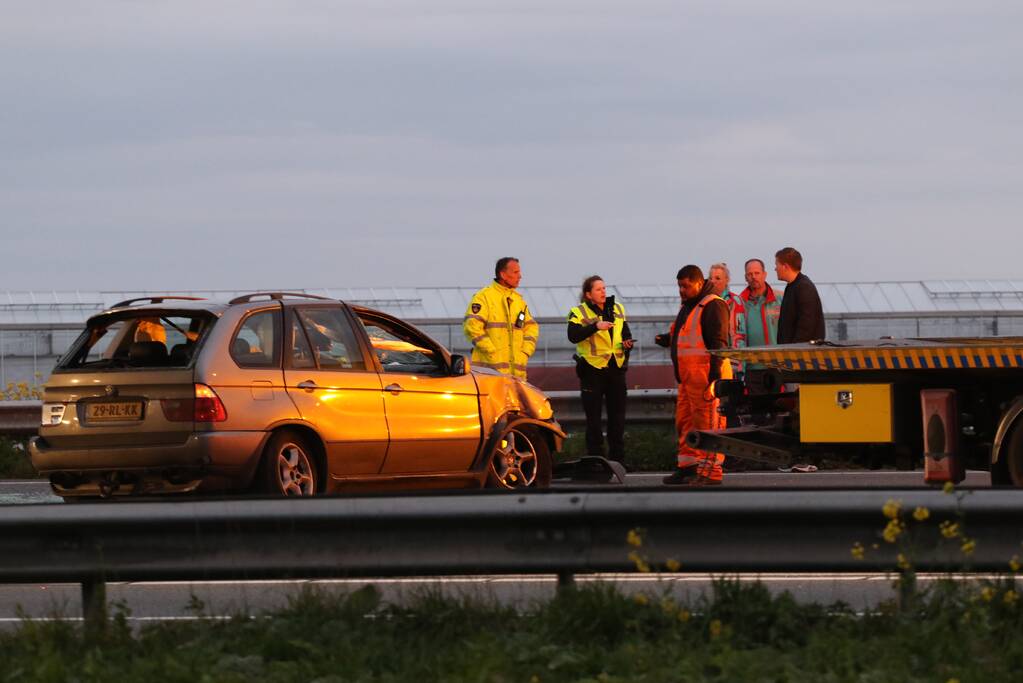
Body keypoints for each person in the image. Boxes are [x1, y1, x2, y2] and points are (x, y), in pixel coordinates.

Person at [654, 265, 732, 486]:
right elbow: (686, 337)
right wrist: (667, 340)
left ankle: (711, 472)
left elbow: (718, 344)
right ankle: (688, 467)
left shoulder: (712, 304)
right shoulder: (690, 305)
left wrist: (715, 378)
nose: (681, 290)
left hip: (706, 377)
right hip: (689, 378)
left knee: (709, 424)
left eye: (685, 286)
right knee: (686, 423)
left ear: (698, 283)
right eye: (679, 286)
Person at [567, 276, 634, 467]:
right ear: (588, 294)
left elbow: (625, 334)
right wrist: (595, 326)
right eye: (598, 289)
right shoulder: (578, 312)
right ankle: (596, 460)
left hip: (616, 368)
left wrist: (627, 344)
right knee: (593, 419)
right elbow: (573, 336)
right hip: (592, 370)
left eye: (604, 288)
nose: (603, 292)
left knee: (617, 418)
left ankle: (618, 460)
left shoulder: (618, 309)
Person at [463, 257, 539, 379]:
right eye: (515, 272)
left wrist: (524, 352)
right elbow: (471, 327)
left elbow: (531, 328)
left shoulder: (518, 301)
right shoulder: (483, 297)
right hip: (489, 375)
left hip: (517, 377)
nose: (520, 276)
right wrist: (492, 352)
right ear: (503, 275)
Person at [775, 247, 825, 344]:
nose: (775, 268)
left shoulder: (803, 287)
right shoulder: (793, 286)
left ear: (785, 266)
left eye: (777, 264)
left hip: (801, 355)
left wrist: (794, 350)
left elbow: (807, 326)